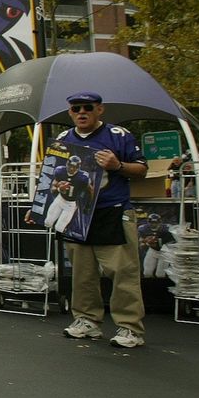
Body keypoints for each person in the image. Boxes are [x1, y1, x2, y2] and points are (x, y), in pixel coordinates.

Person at [54, 91, 148, 348]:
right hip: (78, 213)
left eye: (87, 107)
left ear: (99, 109)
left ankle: (130, 326)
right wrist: (38, 206)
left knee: (123, 271)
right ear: (70, 112)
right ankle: (87, 320)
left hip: (112, 210)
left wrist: (118, 165)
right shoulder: (63, 139)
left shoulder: (118, 135)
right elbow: (50, 176)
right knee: (82, 272)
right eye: (76, 108)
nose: (81, 112)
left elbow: (141, 169)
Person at [44, 155, 94, 235]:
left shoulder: (83, 178)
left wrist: (88, 205)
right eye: (70, 166)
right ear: (67, 164)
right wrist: (59, 188)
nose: (71, 169)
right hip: (60, 199)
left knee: (59, 228)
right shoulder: (60, 171)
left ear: (78, 167)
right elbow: (53, 188)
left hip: (70, 205)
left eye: (74, 167)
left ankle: (59, 240)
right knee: (48, 222)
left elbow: (91, 190)